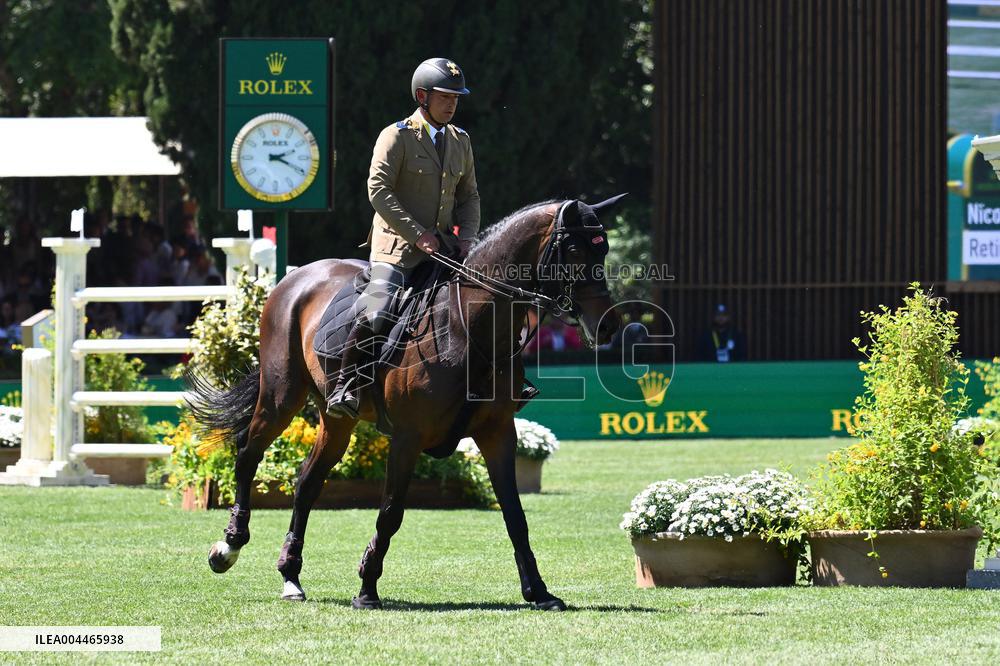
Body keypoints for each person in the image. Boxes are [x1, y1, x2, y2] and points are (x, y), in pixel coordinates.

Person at [324, 57, 480, 419]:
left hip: (443, 246)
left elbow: (469, 196)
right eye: (445, 96)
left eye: (457, 97)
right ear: (422, 96)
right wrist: (418, 234)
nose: (453, 103)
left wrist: (469, 238)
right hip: (396, 247)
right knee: (377, 308)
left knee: (482, 301)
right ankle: (345, 385)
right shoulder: (396, 135)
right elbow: (378, 190)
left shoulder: (460, 141)